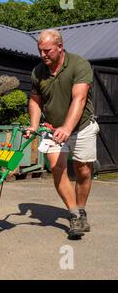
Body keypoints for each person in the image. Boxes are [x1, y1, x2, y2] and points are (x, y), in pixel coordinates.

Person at [25, 29, 99, 239]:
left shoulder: (79, 64)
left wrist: (67, 128)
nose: (43, 55)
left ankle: (81, 209)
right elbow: (35, 100)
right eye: (40, 51)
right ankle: (74, 214)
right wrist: (33, 124)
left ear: (60, 46)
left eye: (47, 50)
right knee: (57, 168)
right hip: (51, 128)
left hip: (81, 126)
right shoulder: (37, 72)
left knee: (83, 170)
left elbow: (80, 98)